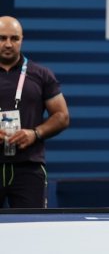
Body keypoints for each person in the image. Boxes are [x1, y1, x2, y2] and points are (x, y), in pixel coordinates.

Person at [0, 16, 70, 208]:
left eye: (14, 38)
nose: (8, 44)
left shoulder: (41, 74)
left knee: (32, 228)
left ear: (22, 39)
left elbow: (62, 116)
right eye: (2, 38)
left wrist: (35, 133)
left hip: (28, 168)